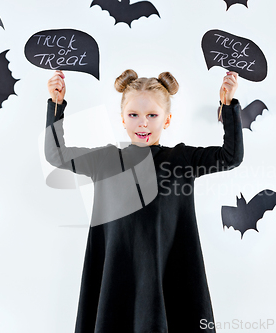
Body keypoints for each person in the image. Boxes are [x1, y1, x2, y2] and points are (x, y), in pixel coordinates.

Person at [45, 69, 243, 333]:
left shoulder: (181, 160)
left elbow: (231, 157)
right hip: (117, 273)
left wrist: (228, 105)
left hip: (166, 271)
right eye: (134, 115)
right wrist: (56, 105)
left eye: (152, 115)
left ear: (167, 119)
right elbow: (56, 155)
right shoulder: (105, 160)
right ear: (122, 119)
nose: (143, 123)